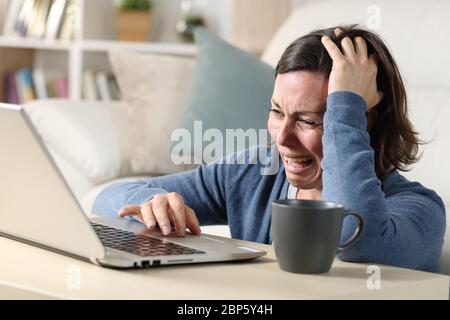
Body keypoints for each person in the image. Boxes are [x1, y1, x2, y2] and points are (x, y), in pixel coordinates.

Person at [93, 25, 446, 272]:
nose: (282, 138)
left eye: (308, 120)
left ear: (360, 121)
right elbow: (110, 200)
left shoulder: (420, 211)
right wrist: (150, 206)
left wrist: (345, 103)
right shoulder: (255, 175)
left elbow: (355, 242)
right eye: (277, 112)